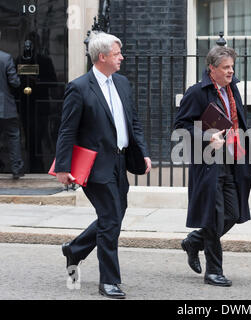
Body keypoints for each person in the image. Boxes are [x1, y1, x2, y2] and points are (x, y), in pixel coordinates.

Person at [54, 32, 151, 299]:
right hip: (95, 167)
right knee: (110, 219)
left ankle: (75, 250)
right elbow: (67, 130)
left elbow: (133, 123)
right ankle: (109, 281)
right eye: (118, 53)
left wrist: (142, 152)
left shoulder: (122, 83)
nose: (122, 57)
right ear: (102, 56)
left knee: (115, 215)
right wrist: (62, 167)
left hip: (120, 161)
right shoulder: (80, 87)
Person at [174, 46, 251, 287]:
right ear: (212, 69)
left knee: (233, 213)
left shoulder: (232, 89)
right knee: (213, 217)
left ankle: (194, 242)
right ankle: (213, 271)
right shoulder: (197, 93)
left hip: (232, 160)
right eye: (226, 67)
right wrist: (208, 136)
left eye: (232, 67)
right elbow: (181, 126)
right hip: (209, 163)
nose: (231, 71)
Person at [0, 49, 24, 179]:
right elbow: (15, 82)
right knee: (13, 136)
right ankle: (16, 169)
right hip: (5, 107)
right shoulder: (5, 58)